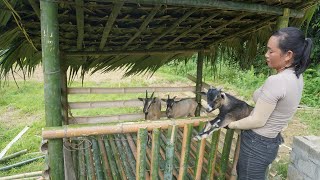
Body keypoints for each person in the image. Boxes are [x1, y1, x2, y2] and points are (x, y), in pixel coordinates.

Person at [227, 27, 313, 179]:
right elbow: (261, 99)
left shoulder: (277, 81)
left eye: (270, 51)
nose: (266, 55)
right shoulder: (297, 77)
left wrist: (231, 124)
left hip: (256, 144)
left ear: (288, 55)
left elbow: (257, 120)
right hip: (270, 143)